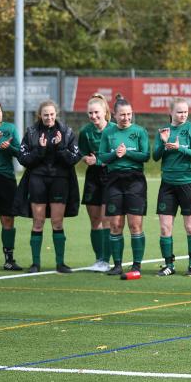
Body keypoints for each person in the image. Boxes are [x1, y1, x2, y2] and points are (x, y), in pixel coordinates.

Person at [14, 100, 82, 273]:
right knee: (38, 222)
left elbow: (74, 159)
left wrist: (60, 148)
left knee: (57, 222)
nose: (49, 117)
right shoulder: (31, 132)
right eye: (46, 115)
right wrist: (40, 150)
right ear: (40, 115)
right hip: (37, 180)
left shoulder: (66, 132)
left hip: (60, 180)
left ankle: (60, 263)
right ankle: (35, 263)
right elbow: (23, 159)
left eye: (52, 114)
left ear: (56, 114)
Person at [98, 95, 149, 276]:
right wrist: (114, 155)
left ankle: (136, 265)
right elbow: (102, 157)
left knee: (135, 225)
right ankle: (117, 264)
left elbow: (145, 156)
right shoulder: (108, 133)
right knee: (115, 224)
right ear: (114, 115)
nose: (126, 118)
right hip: (113, 180)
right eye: (122, 115)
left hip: (135, 180)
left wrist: (127, 154)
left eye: (129, 114)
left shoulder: (139, 131)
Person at [153, 97, 191, 276]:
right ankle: (169, 265)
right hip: (167, 185)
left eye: (185, 112)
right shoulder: (164, 131)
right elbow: (155, 156)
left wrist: (179, 147)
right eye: (179, 112)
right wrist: (164, 143)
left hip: (188, 183)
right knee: (165, 227)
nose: (183, 115)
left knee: (190, 227)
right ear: (171, 113)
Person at [79, 94, 112, 273]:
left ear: (105, 111)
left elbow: (116, 155)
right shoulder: (85, 132)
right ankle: (98, 259)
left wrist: (100, 160)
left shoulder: (113, 129)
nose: (93, 116)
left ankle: (107, 260)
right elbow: (82, 153)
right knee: (95, 220)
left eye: (96, 112)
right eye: (90, 113)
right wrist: (86, 159)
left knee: (107, 219)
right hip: (93, 177)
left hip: (110, 177)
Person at [0, 101, 22, 271]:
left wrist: (9, 147)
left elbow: (20, 153)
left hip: (6, 178)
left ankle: (9, 259)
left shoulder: (10, 129)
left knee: (7, 218)